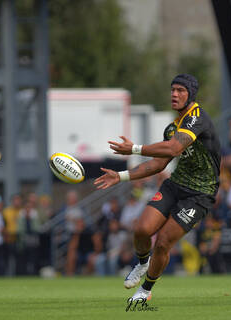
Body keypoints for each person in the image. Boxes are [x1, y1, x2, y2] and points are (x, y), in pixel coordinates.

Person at [94, 74, 221, 301]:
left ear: (191, 94)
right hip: (176, 185)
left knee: (163, 242)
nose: (174, 94)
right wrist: (121, 176)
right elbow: (157, 164)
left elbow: (173, 149)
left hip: (199, 194)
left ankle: (145, 290)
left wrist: (134, 148)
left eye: (180, 90)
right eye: (172, 89)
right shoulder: (171, 128)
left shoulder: (197, 117)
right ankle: (143, 263)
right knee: (141, 230)